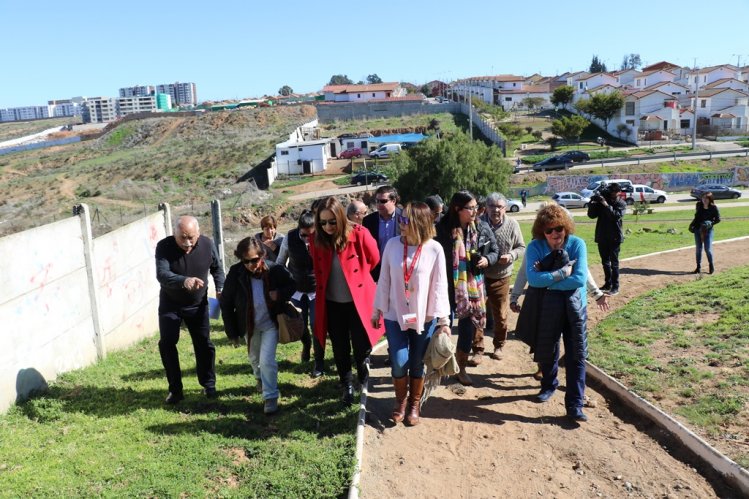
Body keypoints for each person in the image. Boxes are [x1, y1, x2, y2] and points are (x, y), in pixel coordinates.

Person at [372, 202, 451, 426]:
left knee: (417, 363)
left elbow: (439, 286)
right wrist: (377, 309)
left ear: (420, 223)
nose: (400, 223)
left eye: (405, 220)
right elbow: (384, 278)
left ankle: (414, 404)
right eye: (401, 218)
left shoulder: (434, 249)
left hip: (423, 317)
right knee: (399, 362)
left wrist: (443, 321)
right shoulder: (392, 245)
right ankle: (400, 402)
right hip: (394, 314)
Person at [520, 204, 589, 422]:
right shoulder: (535, 247)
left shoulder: (577, 244)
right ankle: (549, 385)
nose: (554, 234)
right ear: (542, 231)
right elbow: (532, 279)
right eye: (548, 230)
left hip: (575, 306)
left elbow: (579, 279)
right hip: (546, 305)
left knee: (576, 353)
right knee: (547, 348)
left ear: (566, 227)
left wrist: (548, 281)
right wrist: (561, 274)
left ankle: (575, 404)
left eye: (558, 228)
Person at [311, 196, 383, 404]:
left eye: (332, 222)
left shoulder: (359, 234)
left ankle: (363, 377)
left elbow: (374, 259)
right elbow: (318, 269)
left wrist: (357, 278)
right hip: (332, 304)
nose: (327, 227)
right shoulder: (317, 240)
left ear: (341, 218)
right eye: (323, 222)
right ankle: (347, 385)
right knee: (340, 347)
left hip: (358, 303)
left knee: (361, 346)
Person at [155, 215, 225, 404]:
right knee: (167, 343)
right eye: (182, 238)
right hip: (171, 304)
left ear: (199, 234)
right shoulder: (164, 247)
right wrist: (184, 281)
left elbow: (217, 269)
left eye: (191, 237)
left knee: (204, 343)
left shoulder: (207, 245)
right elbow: (162, 275)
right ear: (174, 234)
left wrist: (220, 288)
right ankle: (175, 390)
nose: (187, 243)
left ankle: (209, 384)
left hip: (198, 304)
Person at [220, 237, 295, 414]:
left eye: (254, 260)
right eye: (245, 261)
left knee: (267, 361)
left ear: (261, 255)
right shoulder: (236, 273)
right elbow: (226, 302)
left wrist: (280, 294)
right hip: (249, 325)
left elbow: (292, 284)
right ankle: (259, 378)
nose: (250, 265)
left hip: (270, 323)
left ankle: (270, 397)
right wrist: (232, 332)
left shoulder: (274, 269)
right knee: (254, 359)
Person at [435, 191, 498, 385]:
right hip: (445, 286)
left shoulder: (482, 227)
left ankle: (460, 368)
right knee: (438, 328)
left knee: (467, 329)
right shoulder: (440, 230)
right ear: (457, 209)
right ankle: (434, 365)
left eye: (476, 207)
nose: (475, 212)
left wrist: (487, 260)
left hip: (473, 288)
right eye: (470, 208)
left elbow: (495, 250)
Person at [276, 210, 325, 377]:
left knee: (317, 325)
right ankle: (306, 344)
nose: (307, 239)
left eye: (310, 236)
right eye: (304, 235)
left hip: (317, 290)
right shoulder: (289, 239)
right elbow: (280, 264)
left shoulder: (322, 238)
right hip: (296, 289)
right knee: (300, 324)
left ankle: (319, 362)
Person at [480, 193, 525, 362]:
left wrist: (512, 255)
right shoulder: (479, 223)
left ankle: (499, 345)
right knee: (477, 313)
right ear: (486, 207)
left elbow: (521, 247)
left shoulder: (513, 224)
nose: (495, 210)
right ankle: (477, 348)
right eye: (492, 206)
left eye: (499, 206)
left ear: (505, 208)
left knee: (500, 314)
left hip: (501, 276)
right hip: (479, 276)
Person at [587, 182, 626, 295]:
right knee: (605, 262)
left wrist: (605, 205)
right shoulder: (603, 201)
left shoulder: (621, 203)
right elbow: (591, 215)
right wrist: (593, 202)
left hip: (615, 237)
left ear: (618, 192)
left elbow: (615, 217)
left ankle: (615, 286)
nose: (612, 194)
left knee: (614, 263)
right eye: (611, 192)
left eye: (614, 192)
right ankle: (607, 283)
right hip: (602, 236)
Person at [362, 185, 402, 281]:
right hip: (378, 270)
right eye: (377, 201)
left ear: (393, 201)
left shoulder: (405, 217)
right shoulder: (368, 221)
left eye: (383, 201)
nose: (379, 204)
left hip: (401, 267)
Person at [690, 192, 720, 274]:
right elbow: (696, 217)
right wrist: (691, 225)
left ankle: (711, 265)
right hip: (697, 228)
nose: (704, 200)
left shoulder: (714, 208)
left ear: (710, 199)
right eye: (703, 198)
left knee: (708, 249)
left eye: (706, 198)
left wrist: (710, 223)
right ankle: (698, 267)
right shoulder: (699, 205)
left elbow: (718, 219)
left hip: (708, 230)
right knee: (698, 249)